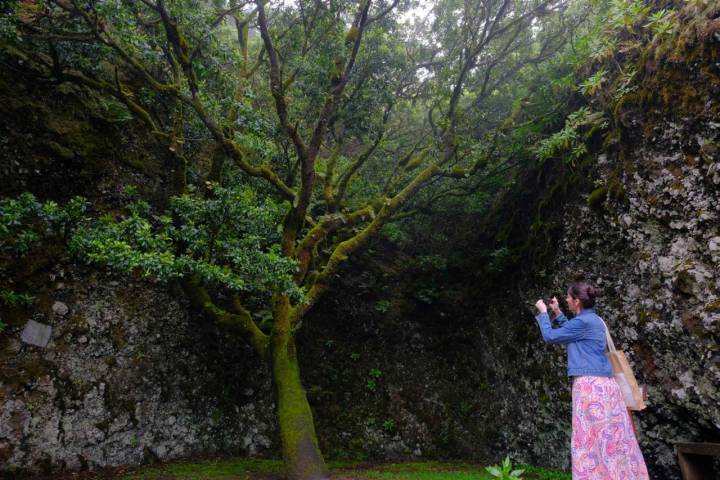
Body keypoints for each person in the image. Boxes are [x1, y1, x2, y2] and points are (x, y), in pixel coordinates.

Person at [534, 281, 649, 479]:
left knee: (590, 438)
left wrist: (543, 312)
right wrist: (558, 312)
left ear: (577, 301)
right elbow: (572, 330)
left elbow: (550, 337)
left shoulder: (583, 323)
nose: (567, 300)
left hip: (590, 387)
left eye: (569, 298)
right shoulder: (594, 320)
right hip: (606, 386)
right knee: (611, 437)